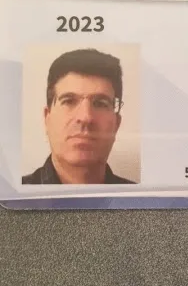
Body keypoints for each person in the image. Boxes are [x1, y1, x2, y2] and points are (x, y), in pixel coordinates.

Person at [22, 48, 135, 184]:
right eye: (69, 101)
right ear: (47, 119)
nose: (85, 117)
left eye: (100, 103)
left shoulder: (141, 196)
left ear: (116, 123)